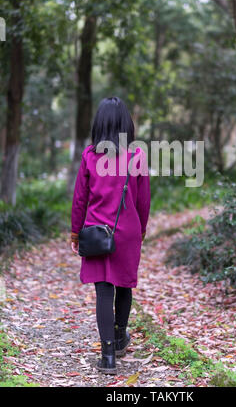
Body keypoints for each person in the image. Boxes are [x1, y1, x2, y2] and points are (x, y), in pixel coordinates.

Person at [70, 97, 151, 375]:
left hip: (95, 232)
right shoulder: (136, 156)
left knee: (103, 290)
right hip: (127, 232)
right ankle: (119, 339)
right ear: (126, 125)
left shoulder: (89, 156)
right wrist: (141, 230)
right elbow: (143, 201)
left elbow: (80, 199)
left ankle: (107, 357)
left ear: (99, 124)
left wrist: (74, 231)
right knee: (124, 286)